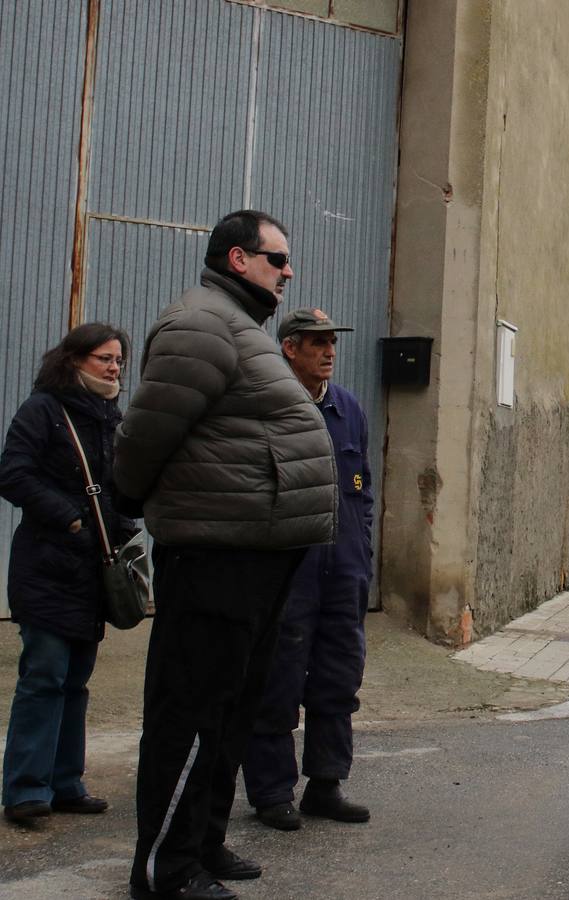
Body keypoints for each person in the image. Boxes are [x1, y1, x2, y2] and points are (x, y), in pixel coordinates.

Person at [115, 210, 336, 900]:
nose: (288, 270)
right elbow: (146, 432)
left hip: (256, 554)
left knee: (232, 710)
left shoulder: (238, 328)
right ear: (238, 259)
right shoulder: (202, 324)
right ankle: (165, 871)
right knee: (190, 714)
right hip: (215, 555)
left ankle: (202, 844)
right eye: (277, 259)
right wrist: (129, 501)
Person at [243, 309, 375, 832]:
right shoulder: (267, 406)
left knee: (337, 678)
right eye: (317, 343)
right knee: (277, 679)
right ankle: (272, 791)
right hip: (288, 571)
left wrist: (360, 549)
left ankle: (326, 784)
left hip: (342, 570)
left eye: (332, 343)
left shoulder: (348, 408)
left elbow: (362, 486)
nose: (329, 352)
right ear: (289, 348)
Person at [1, 324, 134, 826]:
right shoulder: (44, 410)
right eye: (104, 358)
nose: (114, 367)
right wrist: (70, 517)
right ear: (74, 359)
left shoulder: (110, 415)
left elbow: (116, 485)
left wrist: (124, 525)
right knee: (45, 676)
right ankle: (25, 789)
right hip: (46, 566)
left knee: (76, 680)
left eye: (119, 359)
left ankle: (64, 783)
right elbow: (12, 473)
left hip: (91, 572)